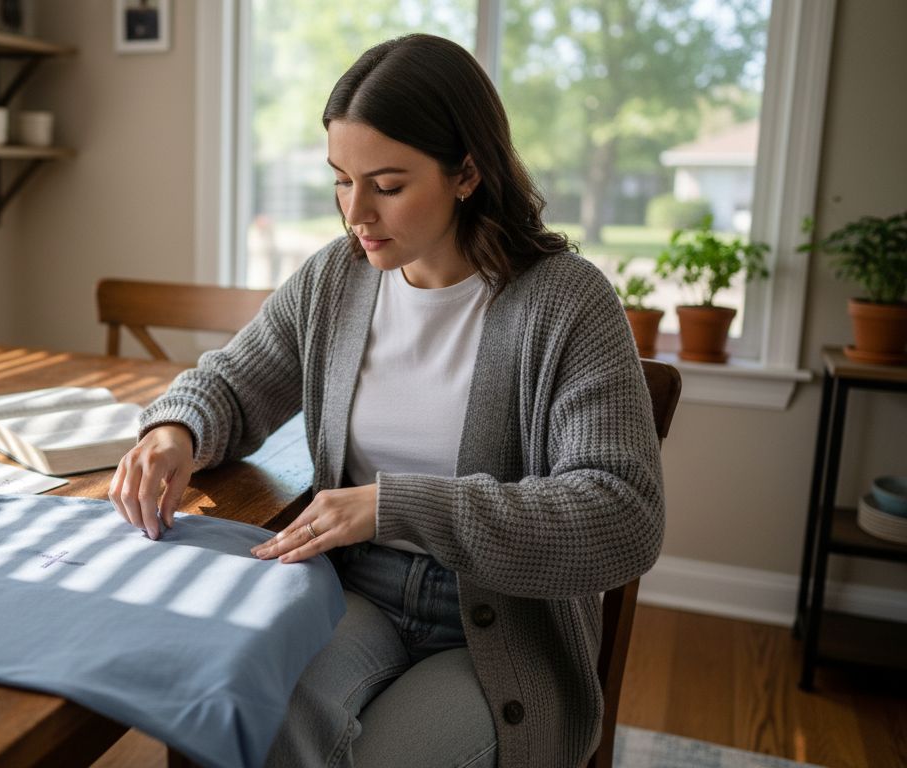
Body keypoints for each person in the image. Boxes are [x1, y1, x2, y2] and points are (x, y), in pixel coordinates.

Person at [108, 33, 663, 768]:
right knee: (253, 722)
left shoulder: (566, 303)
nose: (355, 214)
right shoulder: (335, 281)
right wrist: (176, 429)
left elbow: (622, 515)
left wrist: (394, 505)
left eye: (388, 185)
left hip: (498, 631)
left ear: (467, 171)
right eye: (342, 179)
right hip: (354, 593)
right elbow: (232, 381)